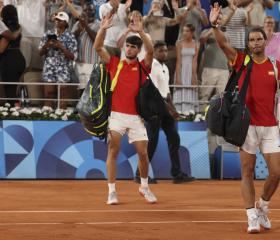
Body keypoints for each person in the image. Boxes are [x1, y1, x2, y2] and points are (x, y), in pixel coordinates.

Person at [209, 3, 280, 234]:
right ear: (248, 44)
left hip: (270, 127)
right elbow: (222, 43)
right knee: (247, 172)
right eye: (252, 40)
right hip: (246, 127)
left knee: (276, 173)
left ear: (265, 41)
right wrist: (214, 25)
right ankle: (251, 216)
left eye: (259, 40)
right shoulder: (241, 61)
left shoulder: (275, 65)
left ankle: (263, 206)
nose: (256, 43)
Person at [93, 12, 157, 205]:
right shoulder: (114, 63)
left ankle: (144, 187)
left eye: (133, 47)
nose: (129, 49)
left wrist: (142, 32)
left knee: (143, 153)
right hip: (116, 116)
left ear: (138, 50)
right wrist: (103, 29)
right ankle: (112, 191)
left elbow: (151, 51)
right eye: (127, 46)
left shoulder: (144, 67)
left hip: (136, 117)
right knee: (113, 149)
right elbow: (97, 47)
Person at [134, 41, 195, 184]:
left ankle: (177, 174)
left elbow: (167, 93)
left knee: (174, 138)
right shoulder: (152, 66)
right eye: (161, 50)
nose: (165, 53)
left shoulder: (165, 67)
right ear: (154, 52)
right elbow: (153, 91)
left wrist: (173, 110)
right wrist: (167, 109)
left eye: (166, 50)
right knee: (152, 142)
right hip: (153, 107)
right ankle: (139, 174)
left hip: (165, 106)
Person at [39, 11, 77, 108]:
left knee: (63, 94)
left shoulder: (70, 36)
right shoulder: (47, 34)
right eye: (56, 20)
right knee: (48, 93)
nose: (57, 22)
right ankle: (47, 116)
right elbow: (40, 53)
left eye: (60, 20)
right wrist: (47, 45)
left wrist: (61, 47)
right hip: (49, 67)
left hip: (64, 68)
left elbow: (73, 56)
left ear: (66, 23)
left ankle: (62, 116)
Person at [71, 1, 100, 96]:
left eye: (90, 9)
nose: (88, 11)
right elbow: (71, 40)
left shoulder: (99, 24)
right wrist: (79, 29)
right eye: (85, 10)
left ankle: (91, 110)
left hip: (92, 63)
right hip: (79, 63)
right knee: (81, 89)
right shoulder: (77, 24)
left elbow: (97, 40)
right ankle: (81, 109)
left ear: (94, 11)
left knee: (92, 90)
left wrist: (86, 26)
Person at [0, 4, 26, 107]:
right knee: (13, 89)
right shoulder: (17, 26)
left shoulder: (6, 29)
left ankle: (14, 114)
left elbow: (1, 49)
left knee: (10, 90)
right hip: (18, 58)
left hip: (9, 60)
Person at [173, 23, 199, 113]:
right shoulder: (179, 43)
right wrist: (178, 78)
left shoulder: (196, 44)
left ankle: (190, 113)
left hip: (191, 71)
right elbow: (178, 61)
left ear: (192, 32)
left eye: (187, 31)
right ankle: (179, 113)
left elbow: (195, 62)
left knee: (190, 89)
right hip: (181, 70)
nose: (184, 33)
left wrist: (194, 77)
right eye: (183, 31)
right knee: (180, 90)